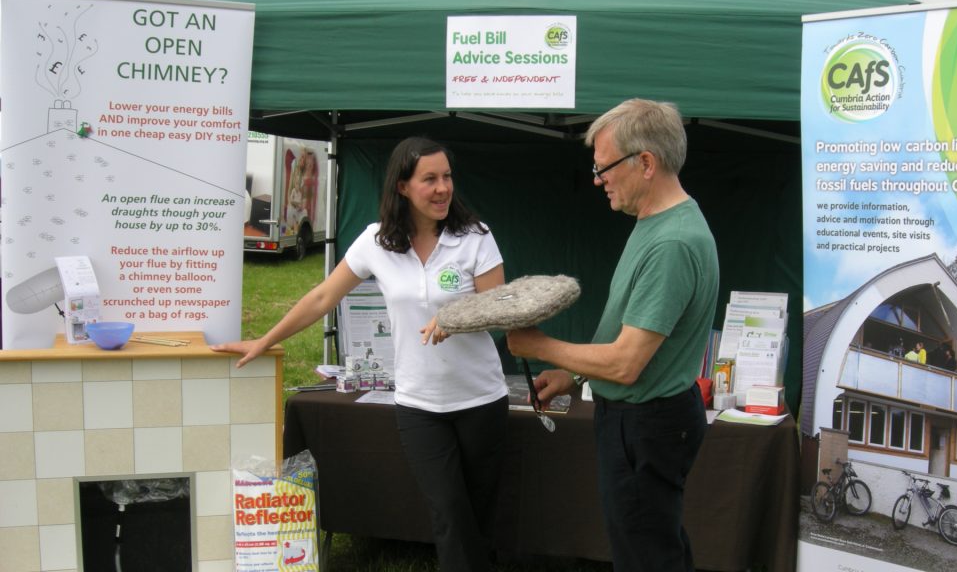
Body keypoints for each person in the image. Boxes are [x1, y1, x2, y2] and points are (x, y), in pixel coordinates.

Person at [213, 137, 509, 572]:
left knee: (477, 513)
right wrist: (262, 340)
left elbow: (501, 309)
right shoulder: (376, 241)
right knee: (448, 510)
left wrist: (458, 318)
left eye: (447, 177)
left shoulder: (475, 237)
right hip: (420, 405)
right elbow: (321, 298)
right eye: (430, 179)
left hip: (481, 400)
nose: (443, 187)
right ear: (403, 187)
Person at [507, 98, 719, 572]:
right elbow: (634, 342)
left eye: (605, 167)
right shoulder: (658, 221)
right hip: (644, 418)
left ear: (646, 163)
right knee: (654, 544)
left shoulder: (672, 243)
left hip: (646, 424)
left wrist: (538, 345)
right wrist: (571, 373)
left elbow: (626, 364)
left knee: (645, 556)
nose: (598, 178)